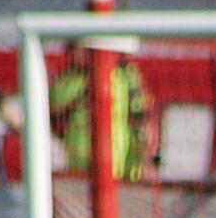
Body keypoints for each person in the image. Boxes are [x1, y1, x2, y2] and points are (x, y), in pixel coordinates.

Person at [47, 42, 152, 181]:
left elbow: (139, 114)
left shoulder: (125, 77)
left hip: (120, 160)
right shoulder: (69, 80)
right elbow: (54, 106)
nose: (70, 54)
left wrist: (143, 154)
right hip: (81, 159)